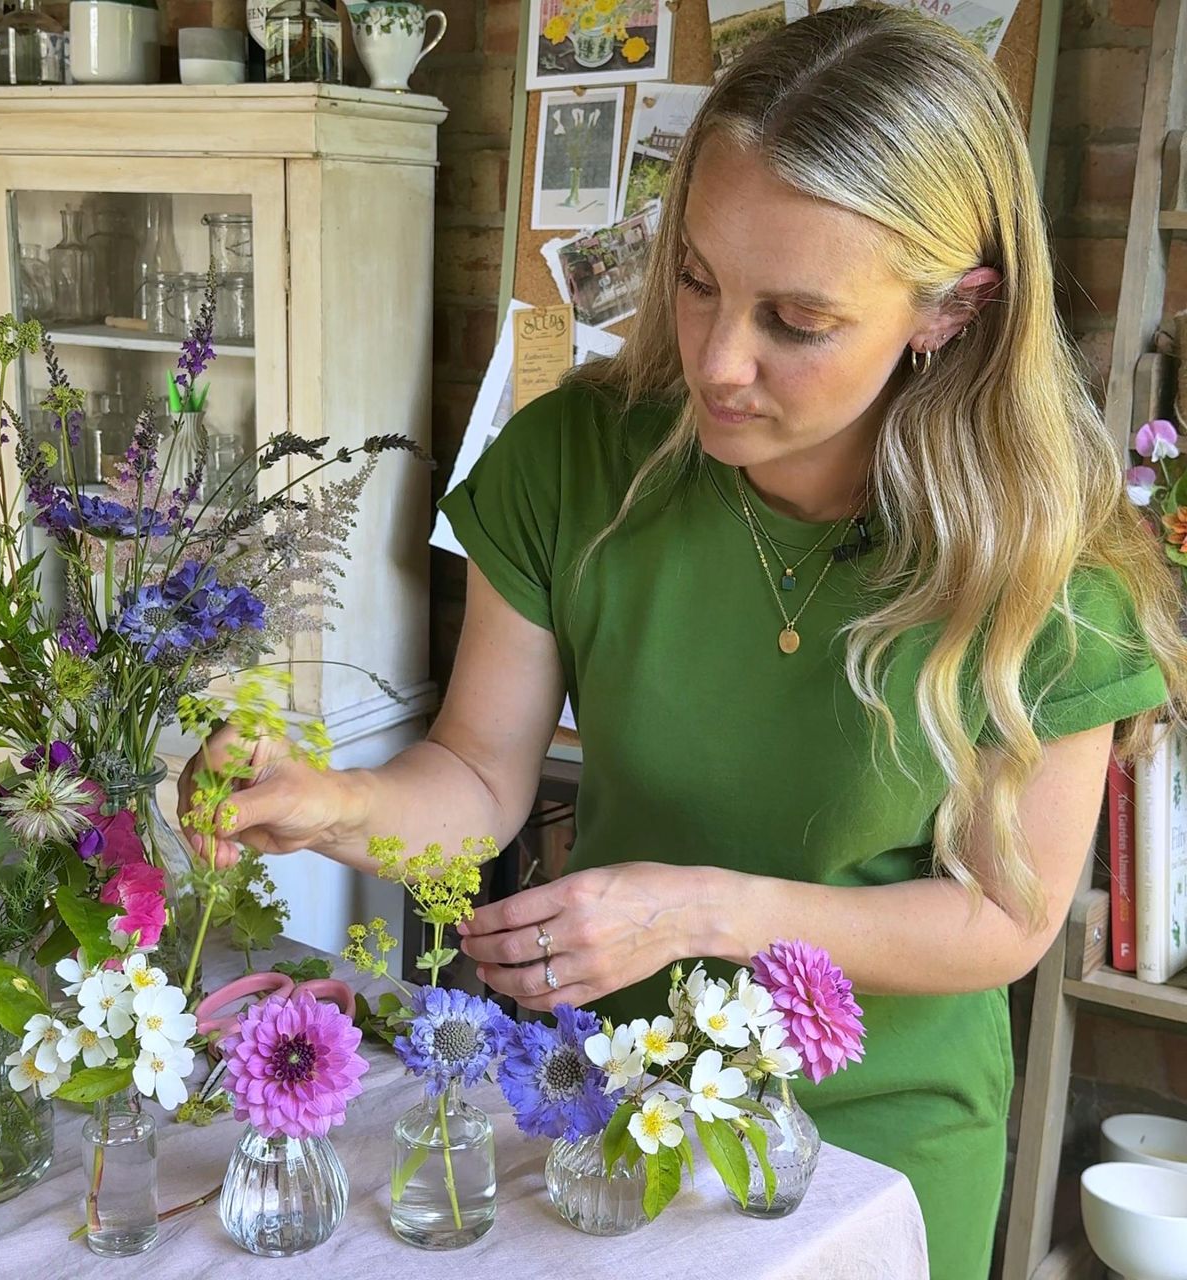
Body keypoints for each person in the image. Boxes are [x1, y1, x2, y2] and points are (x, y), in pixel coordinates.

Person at [179, 9, 1187, 1277]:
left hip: (867, 1144)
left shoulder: (1048, 560)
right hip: (598, 1101)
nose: (716, 360)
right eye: (696, 277)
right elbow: (479, 776)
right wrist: (332, 804)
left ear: (946, 310)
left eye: (796, 321)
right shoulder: (573, 462)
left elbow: (1001, 915)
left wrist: (699, 911)